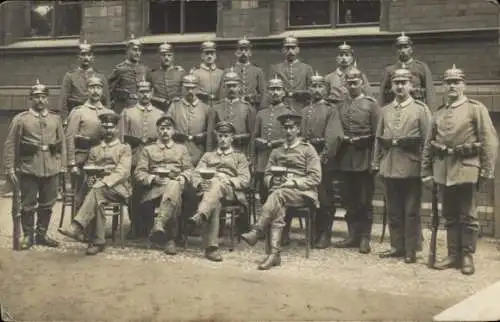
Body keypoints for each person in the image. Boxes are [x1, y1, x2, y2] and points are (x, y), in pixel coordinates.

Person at [421, 65, 498, 275]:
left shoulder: (475, 109)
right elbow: (429, 144)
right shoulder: (439, 113)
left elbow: (489, 141)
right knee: (449, 214)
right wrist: (426, 172)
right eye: (448, 82)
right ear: (443, 86)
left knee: (468, 215)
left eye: (456, 82)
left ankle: (466, 255)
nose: (452, 86)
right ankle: (453, 254)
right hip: (443, 170)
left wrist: (486, 171)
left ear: (464, 85)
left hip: (466, 169)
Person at [241, 112, 321, 270]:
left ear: (298, 129)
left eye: (292, 128)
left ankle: (257, 231)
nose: (288, 131)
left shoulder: (308, 149)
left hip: (303, 193)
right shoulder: (276, 151)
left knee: (277, 195)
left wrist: (293, 182)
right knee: (278, 204)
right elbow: (268, 174)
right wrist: (272, 180)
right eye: (285, 128)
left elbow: (316, 177)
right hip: (281, 194)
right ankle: (274, 255)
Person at [372, 67, 431, 263]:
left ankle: (411, 249)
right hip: (388, 166)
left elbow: (427, 141)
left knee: (411, 211)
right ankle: (397, 246)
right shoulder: (385, 110)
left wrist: (426, 168)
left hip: (411, 167)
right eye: (396, 83)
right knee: (394, 210)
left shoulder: (420, 110)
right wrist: (376, 162)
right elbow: (378, 139)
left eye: (403, 82)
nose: (399, 86)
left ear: (411, 85)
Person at [3, 79, 66, 250]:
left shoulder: (55, 119)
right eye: (36, 96)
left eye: (43, 96)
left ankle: (42, 234)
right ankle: (28, 235)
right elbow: (10, 145)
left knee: (48, 203)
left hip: (51, 167)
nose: (40, 100)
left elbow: (62, 143)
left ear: (47, 99)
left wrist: (62, 166)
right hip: (29, 167)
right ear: (31, 98)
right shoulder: (21, 119)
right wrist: (9, 168)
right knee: (28, 204)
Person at [58, 112, 132, 255]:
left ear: (116, 129)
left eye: (111, 127)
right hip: (99, 189)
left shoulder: (124, 148)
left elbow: (123, 172)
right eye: (104, 127)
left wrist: (103, 182)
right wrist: (92, 178)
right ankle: (98, 241)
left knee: (97, 191)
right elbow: (90, 167)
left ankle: (77, 226)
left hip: (119, 189)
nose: (108, 131)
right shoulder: (95, 149)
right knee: (97, 195)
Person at [332, 67, 380, 254]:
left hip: (364, 157)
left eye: (355, 81)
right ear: (344, 84)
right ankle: (353, 235)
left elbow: (377, 135)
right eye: (349, 82)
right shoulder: (340, 106)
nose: (352, 85)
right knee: (348, 199)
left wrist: (374, 160)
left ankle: (365, 237)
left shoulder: (371, 105)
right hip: (345, 158)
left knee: (364, 200)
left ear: (362, 82)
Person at [188, 121, 251, 262]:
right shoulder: (207, 156)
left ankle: (201, 213)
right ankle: (211, 248)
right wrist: (200, 184)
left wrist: (227, 179)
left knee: (216, 182)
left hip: (230, 192)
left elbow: (245, 179)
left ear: (232, 138)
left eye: (226, 136)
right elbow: (195, 174)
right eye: (220, 136)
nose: (223, 139)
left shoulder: (239, 157)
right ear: (216, 137)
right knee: (215, 203)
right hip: (209, 193)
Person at [134, 115, 193, 255]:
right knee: (174, 194)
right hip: (155, 190)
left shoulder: (181, 149)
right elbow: (139, 173)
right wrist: (153, 178)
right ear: (157, 131)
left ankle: (160, 224)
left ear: (173, 131)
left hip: (177, 185)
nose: (165, 132)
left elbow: (190, 170)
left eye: (168, 128)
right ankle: (170, 240)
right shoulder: (148, 150)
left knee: (174, 185)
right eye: (162, 129)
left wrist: (182, 177)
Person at [301, 72, 343, 249]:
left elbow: (334, 136)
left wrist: (324, 155)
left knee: (325, 197)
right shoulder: (304, 111)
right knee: (309, 196)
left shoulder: (330, 109)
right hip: (307, 158)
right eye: (313, 86)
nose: (316, 90)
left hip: (323, 158)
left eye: (320, 86)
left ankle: (325, 234)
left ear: (326, 90)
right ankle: (312, 233)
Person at [119, 78, 164, 238]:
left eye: (147, 91)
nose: (144, 94)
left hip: (154, 160)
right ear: (137, 93)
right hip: (134, 157)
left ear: (152, 93)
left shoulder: (160, 114)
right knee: (135, 193)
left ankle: (150, 226)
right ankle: (135, 226)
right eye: (141, 91)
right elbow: (122, 139)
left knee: (151, 193)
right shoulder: (127, 113)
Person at [66, 75, 114, 210]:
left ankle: (97, 229)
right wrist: (71, 163)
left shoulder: (109, 112)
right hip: (82, 160)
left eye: (98, 88)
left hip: (104, 161)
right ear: (87, 90)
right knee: (81, 195)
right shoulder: (78, 112)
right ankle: (78, 227)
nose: (95, 91)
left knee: (101, 194)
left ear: (102, 91)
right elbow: (69, 138)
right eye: (92, 87)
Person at [252, 76, 291, 204]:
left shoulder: (288, 112)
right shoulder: (261, 113)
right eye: (272, 89)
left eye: (278, 89)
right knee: (264, 194)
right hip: (263, 160)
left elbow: (291, 138)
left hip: (281, 159)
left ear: (284, 92)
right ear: (268, 92)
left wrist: (274, 143)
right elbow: (255, 136)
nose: (275, 92)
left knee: (280, 193)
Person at [166, 73, 214, 165]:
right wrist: (176, 134)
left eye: (193, 88)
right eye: (187, 88)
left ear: (198, 89)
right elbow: (166, 127)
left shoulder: (206, 108)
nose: (190, 91)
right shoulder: (174, 106)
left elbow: (210, 133)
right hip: (177, 150)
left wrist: (203, 137)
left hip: (199, 150)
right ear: (182, 88)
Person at [379, 32, 435, 108]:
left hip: (417, 107)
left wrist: (430, 111)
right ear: (396, 51)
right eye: (400, 48)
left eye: (406, 47)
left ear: (411, 49)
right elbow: (382, 95)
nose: (403, 50)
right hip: (395, 107)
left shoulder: (421, 67)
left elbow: (429, 92)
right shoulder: (389, 70)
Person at [57, 40, 110, 119]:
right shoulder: (70, 76)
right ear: (78, 57)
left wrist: (107, 118)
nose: (86, 58)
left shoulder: (100, 77)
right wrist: (64, 119)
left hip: (96, 116)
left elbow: (106, 101)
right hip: (75, 114)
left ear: (93, 57)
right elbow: (63, 101)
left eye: (88, 55)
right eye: (83, 54)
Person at [212, 69, 256, 158]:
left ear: (239, 87)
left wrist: (251, 156)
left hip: (241, 151)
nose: (231, 89)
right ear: (224, 87)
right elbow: (211, 133)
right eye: (228, 86)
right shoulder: (216, 107)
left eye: (234, 86)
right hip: (220, 152)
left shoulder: (247, 108)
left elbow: (252, 135)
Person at [270, 36, 314, 113]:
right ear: (283, 50)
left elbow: (311, 91)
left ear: (298, 50)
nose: (290, 51)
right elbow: (271, 91)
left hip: (301, 106)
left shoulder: (307, 68)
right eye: (287, 48)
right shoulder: (276, 68)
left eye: (293, 48)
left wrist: (300, 93)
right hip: (282, 107)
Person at [221, 36, 266, 110]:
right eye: (241, 49)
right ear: (236, 53)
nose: (243, 52)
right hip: (233, 108)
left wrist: (260, 109)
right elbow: (222, 94)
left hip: (252, 107)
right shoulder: (228, 71)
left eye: (246, 50)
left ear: (250, 53)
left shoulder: (258, 71)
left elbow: (263, 94)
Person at [108, 34, 149, 114]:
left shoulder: (144, 69)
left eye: (139, 50)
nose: (138, 53)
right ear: (127, 51)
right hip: (125, 108)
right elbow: (109, 90)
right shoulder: (119, 69)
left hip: (141, 107)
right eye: (135, 50)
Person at [146, 42, 185, 112]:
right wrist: (158, 100)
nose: (166, 58)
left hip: (177, 110)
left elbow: (185, 94)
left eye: (169, 55)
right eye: (163, 55)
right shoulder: (152, 74)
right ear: (159, 56)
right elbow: (147, 95)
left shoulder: (180, 73)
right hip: (158, 109)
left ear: (173, 56)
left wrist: (179, 99)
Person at [191, 41, 224, 108]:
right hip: (201, 106)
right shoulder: (195, 73)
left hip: (218, 106)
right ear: (202, 56)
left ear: (215, 56)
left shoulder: (221, 73)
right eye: (207, 53)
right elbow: (192, 91)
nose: (209, 56)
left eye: (212, 53)